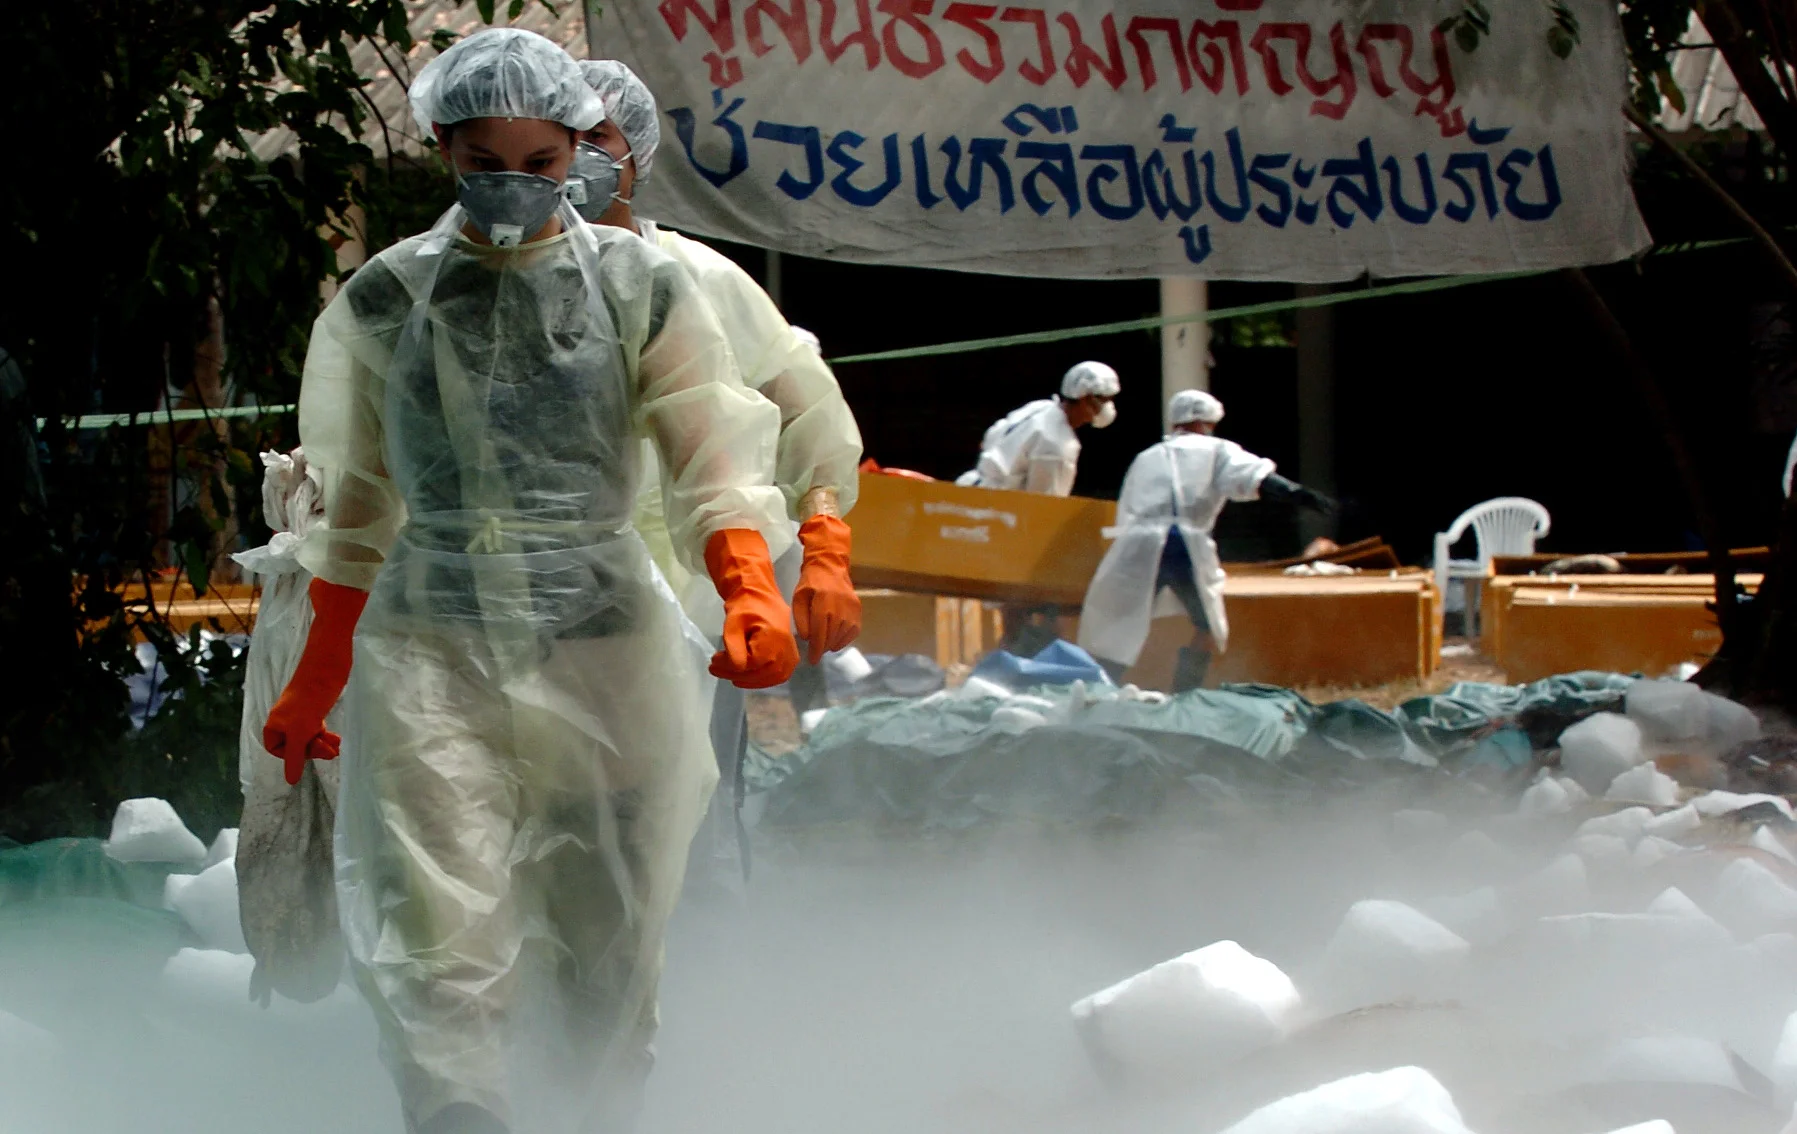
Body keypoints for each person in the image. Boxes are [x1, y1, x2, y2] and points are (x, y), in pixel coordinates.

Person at [259, 29, 795, 1134]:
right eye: (482, 161)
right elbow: (358, 506)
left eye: (543, 164)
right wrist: (318, 673)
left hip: (602, 642)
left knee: (606, 934)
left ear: (579, 151)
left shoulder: (641, 288)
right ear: (443, 149)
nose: (514, 187)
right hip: (431, 650)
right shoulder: (387, 300)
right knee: (437, 932)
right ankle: (460, 1115)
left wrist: (749, 584)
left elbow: (710, 458)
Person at [572, 59, 864, 885]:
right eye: (561, 138)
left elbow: (808, 407)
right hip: (545, 594)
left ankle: (706, 986)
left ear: (637, 153)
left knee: (688, 807)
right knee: (560, 819)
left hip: (703, 594)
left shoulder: (699, 281)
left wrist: (823, 540)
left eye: (598, 137)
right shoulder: (487, 290)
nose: (575, 159)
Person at [1078, 388, 1333, 692]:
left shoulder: (1146, 457)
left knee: (1115, 628)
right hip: (1184, 545)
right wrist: (1297, 493)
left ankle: (1098, 693)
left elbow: (1127, 508)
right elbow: (1254, 476)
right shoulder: (1217, 449)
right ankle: (1185, 697)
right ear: (1206, 422)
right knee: (1207, 626)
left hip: (1136, 546)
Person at [955, 361, 1120, 496]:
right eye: (1104, 400)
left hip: (965, 489)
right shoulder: (1059, 444)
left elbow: (989, 439)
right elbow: (1044, 506)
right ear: (1085, 399)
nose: (1108, 407)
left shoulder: (1040, 407)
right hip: (988, 510)